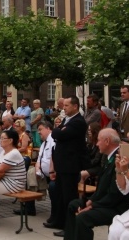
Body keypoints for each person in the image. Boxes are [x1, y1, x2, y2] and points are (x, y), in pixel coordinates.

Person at [61, 129, 129, 240]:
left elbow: (115, 194)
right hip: (105, 201)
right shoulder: (109, 156)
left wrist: (93, 206)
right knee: (73, 205)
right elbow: (102, 187)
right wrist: (91, 201)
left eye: (99, 140)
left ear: (107, 141)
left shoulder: (121, 158)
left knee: (83, 218)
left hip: (117, 206)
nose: (96, 144)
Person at [46, 96, 88, 234]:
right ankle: (59, 221)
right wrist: (58, 131)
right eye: (63, 105)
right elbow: (57, 132)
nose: (64, 108)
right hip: (62, 164)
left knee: (69, 196)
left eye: (67, 105)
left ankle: (69, 226)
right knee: (59, 194)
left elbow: (58, 134)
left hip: (70, 165)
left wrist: (58, 131)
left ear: (75, 106)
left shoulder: (78, 121)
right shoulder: (67, 119)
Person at [109, 131, 129, 240]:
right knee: (115, 230)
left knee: (128, 236)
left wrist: (127, 171)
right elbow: (124, 188)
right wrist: (118, 169)